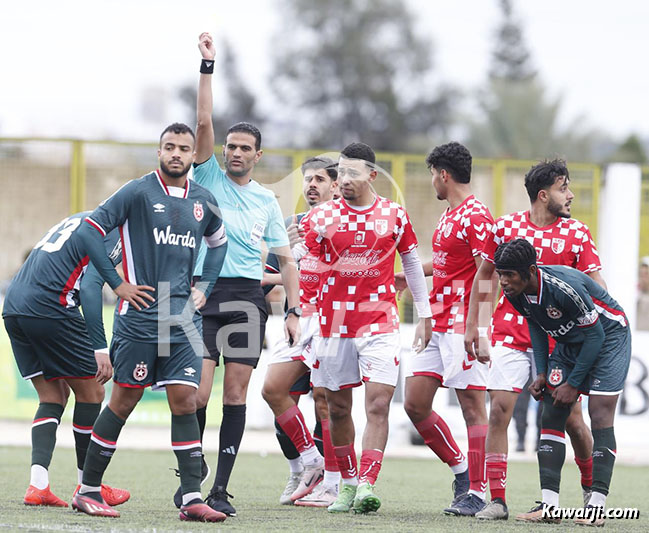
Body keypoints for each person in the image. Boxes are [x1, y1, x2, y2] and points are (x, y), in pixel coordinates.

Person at [71, 122, 229, 523]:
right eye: (169, 147)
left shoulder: (204, 200)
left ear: (194, 155)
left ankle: (192, 497)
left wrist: (205, 286)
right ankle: (87, 490)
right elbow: (89, 231)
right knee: (125, 400)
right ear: (159, 152)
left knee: (186, 401)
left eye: (183, 148)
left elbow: (219, 242)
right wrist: (117, 283)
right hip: (139, 319)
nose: (176, 153)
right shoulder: (137, 191)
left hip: (183, 321)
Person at [189, 31, 300, 517]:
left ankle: (219, 489)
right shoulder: (207, 176)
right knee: (198, 393)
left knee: (235, 392)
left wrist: (293, 309)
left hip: (246, 299)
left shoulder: (266, 202)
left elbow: (287, 260)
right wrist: (208, 66)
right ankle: (190, 482)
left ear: (258, 155)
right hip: (201, 294)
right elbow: (202, 120)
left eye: (243, 148)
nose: (233, 152)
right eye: (230, 146)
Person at [465, 159, 605, 520]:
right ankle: (497, 500)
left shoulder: (577, 233)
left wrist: (595, 331)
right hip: (510, 332)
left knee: (572, 420)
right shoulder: (506, 227)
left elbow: (598, 287)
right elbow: (484, 278)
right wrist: (475, 328)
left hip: (561, 340)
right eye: (564, 188)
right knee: (498, 411)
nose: (570, 195)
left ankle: (592, 494)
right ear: (544, 195)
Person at [305, 142, 432, 514]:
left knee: (377, 404)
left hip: (380, 321)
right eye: (340, 172)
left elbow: (410, 264)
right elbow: (309, 269)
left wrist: (424, 315)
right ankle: (345, 484)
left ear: (372, 176)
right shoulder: (321, 217)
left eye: (352, 173)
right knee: (338, 408)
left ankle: (366, 484)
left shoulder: (394, 215)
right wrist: (304, 314)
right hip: (333, 323)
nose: (343, 179)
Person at [493, 239, 631, 526]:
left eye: (509, 275)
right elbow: (536, 324)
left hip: (609, 337)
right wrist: (542, 372)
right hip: (571, 341)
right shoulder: (515, 293)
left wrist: (574, 383)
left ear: (530, 270)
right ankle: (550, 506)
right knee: (552, 411)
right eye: (500, 274)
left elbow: (596, 336)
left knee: (600, 413)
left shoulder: (563, 287)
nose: (503, 281)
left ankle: (596, 507)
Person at [2, 213, 129, 509]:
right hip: (51, 305)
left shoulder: (81, 217)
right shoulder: (115, 230)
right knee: (93, 392)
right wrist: (100, 347)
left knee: (53, 395)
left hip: (14, 305)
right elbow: (89, 287)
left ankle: (38, 485)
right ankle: (89, 486)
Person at [396, 142, 494, 516]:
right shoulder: (452, 215)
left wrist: (478, 327)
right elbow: (447, 263)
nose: (432, 181)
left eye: (432, 174)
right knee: (415, 403)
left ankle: (479, 492)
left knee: (473, 407)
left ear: (443, 174)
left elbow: (489, 274)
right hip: (437, 320)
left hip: (463, 325)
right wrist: (407, 276)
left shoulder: (477, 215)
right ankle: (463, 472)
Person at [261, 156, 340, 507]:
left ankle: (334, 483)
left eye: (320, 179)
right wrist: (287, 255)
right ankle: (304, 466)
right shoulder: (292, 224)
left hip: (333, 323)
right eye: (308, 179)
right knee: (275, 392)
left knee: (327, 402)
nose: (312, 185)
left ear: (336, 186)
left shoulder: (347, 223)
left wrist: (299, 260)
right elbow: (263, 277)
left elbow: (348, 275)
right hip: (299, 321)